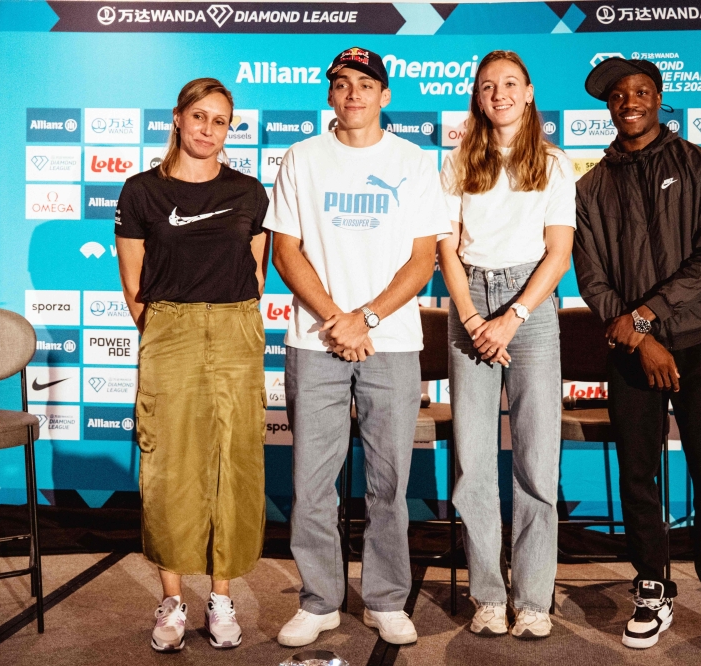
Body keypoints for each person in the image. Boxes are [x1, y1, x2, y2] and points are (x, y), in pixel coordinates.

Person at [264, 46, 451, 647]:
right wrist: (335, 318)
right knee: (313, 481)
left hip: (391, 342)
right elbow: (284, 251)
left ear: (384, 95)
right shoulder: (301, 158)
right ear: (329, 95)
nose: (353, 95)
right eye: (341, 84)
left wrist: (365, 317)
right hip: (314, 341)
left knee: (389, 480)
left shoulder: (414, 162)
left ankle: (385, 599)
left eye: (365, 85)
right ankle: (319, 599)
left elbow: (424, 258)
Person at [573, 58, 701, 662]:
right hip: (630, 350)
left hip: (699, 340)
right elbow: (592, 278)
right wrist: (639, 338)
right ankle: (653, 587)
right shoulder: (590, 186)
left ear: (659, 99)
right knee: (638, 474)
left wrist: (648, 318)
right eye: (620, 95)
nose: (631, 102)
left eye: (642, 92)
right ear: (609, 106)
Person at [115, 78, 270, 652]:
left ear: (230, 129)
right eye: (199, 116)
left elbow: (256, 276)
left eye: (220, 121)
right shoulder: (140, 193)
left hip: (235, 329)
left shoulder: (250, 192)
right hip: (171, 331)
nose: (208, 129)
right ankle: (173, 600)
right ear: (177, 118)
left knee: (233, 461)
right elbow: (134, 286)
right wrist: (167, 330)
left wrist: (225, 320)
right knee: (170, 464)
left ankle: (221, 598)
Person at [437, 50, 575, 639]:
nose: (499, 93)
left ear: (529, 91)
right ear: (477, 94)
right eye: (488, 85)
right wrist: (472, 319)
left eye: (510, 84)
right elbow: (447, 244)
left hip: (531, 305)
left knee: (536, 461)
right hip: (469, 300)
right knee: (473, 463)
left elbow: (559, 251)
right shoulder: (457, 160)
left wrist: (513, 316)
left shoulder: (552, 161)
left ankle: (535, 599)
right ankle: (489, 595)